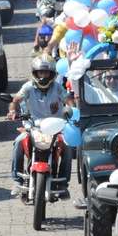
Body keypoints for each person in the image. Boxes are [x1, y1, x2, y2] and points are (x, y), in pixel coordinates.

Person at [6, 56, 70, 197]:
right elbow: (16, 100)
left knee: (67, 146)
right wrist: (12, 111)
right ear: (35, 73)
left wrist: (71, 110)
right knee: (18, 143)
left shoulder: (58, 88)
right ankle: (18, 181)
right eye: (40, 73)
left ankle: (63, 183)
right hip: (32, 127)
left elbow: (69, 100)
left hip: (55, 127)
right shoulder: (28, 87)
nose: (43, 76)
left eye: (46, 73)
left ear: (52, 74)